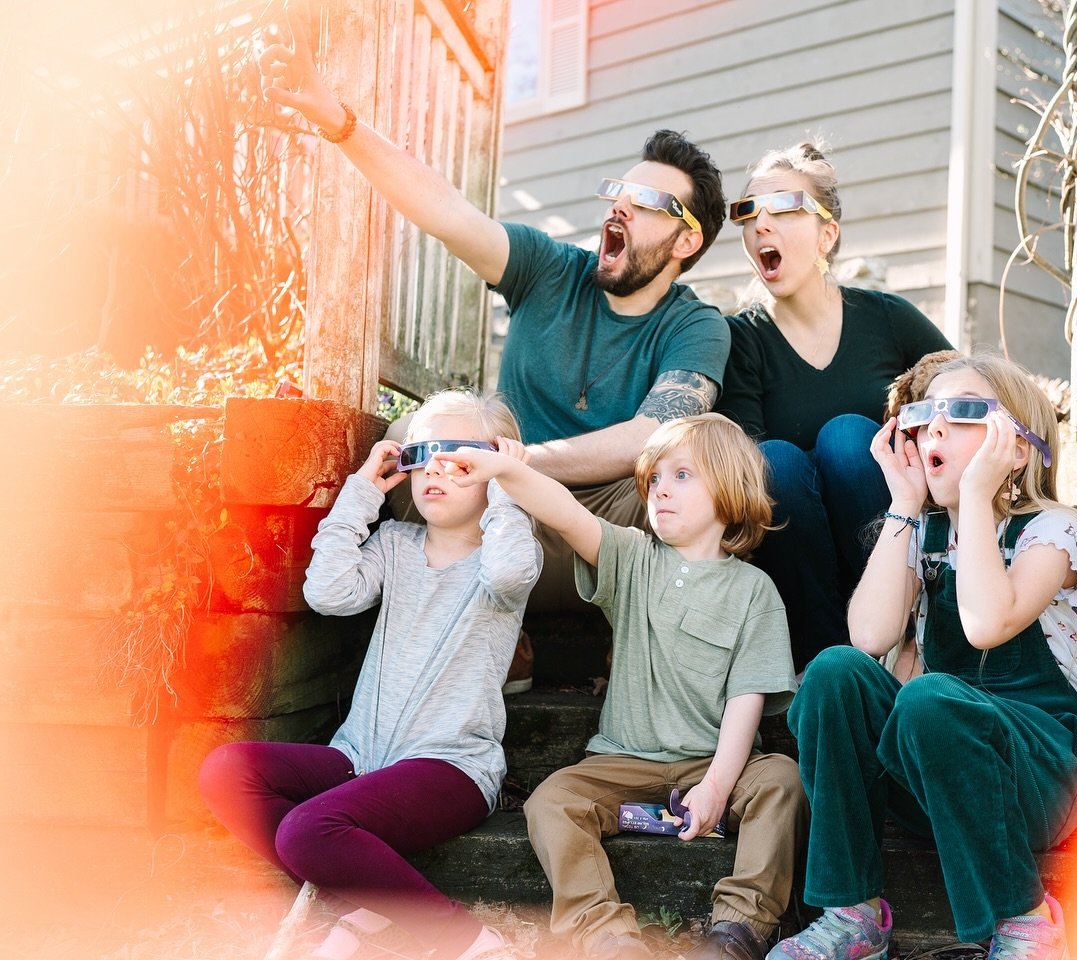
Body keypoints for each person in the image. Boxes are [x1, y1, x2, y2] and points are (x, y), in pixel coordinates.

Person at [259, 8, 730, 618]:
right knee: (411, 443)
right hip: (500, 521)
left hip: (606, 535)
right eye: (620, 191)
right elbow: (444, 210)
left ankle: (639, 643)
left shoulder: (696, 327)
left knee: (700, 483)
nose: (621, 207)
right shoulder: (548, 269)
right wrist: (340, 124)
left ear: (686, 241)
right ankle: (495, 627)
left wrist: (522, 458)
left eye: (648, 201)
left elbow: (652, 437)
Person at [768, 353, 1077, 960]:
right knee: (834, 672)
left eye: (963, 411)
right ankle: (853, 915)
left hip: (1036, 775)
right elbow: (870, 637)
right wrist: (903, 502)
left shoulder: (1052, 533)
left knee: (929, 697)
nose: (934, 427)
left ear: (1018, 446)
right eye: (925, 414)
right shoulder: (919, 534)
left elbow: (986, 623)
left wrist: (976, 497)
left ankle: (1026, 923)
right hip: (936, 775)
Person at [433, 413, 802, 960]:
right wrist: (505, 468)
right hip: (623, 761)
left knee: (783, 779)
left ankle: (738, 929)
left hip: (713, 762)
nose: (660, 490)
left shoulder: (755, 591)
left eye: (682, 476)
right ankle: (606, 934)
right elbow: (562, 510)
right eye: (654, 479)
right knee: (552, 801)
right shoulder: (632, 559)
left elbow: (746, 702)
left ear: (729, 489)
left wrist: (718, 788)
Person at [198, 390, 542, 960]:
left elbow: (509, 572)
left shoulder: (506, 554)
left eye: (461, 459)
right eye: (423, 454)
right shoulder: (394, 545)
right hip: (361, 758)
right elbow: (328, 593)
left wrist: (509, 486)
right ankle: (367, 904)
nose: (436, 469)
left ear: (494, 469)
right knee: (225, 770)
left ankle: (470, 942)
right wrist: (360, 494)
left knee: (307, 830)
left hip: (449, 768)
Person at [715, 142, 951, 671]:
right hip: (800, 577)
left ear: (827, 233)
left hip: (895, 550)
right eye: (750, 211)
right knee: (772, 460)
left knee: (848, 438)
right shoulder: (741, 341)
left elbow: (964, 393)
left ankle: (899, 638)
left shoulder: (888, 319)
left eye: (783, 208)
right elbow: (746, 479)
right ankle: (823, 665)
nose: (761, 225)